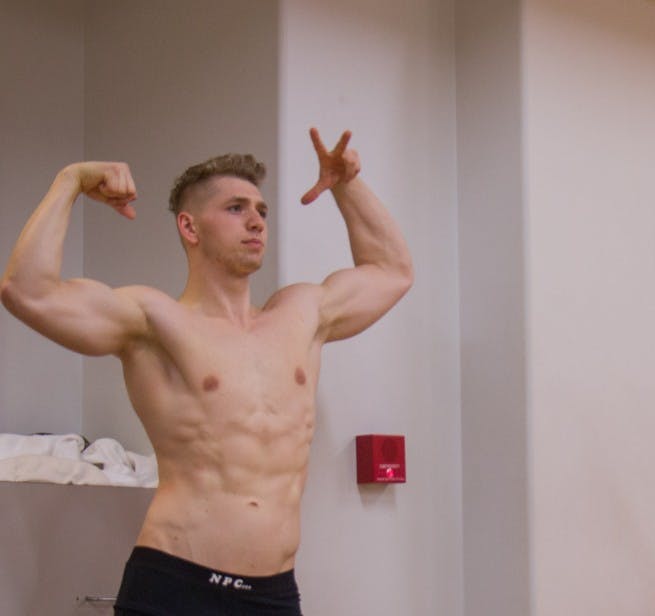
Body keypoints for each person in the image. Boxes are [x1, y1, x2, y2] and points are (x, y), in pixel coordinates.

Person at [0, 128, 413, 615]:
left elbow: (392, 271)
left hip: (274, 594)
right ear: (190, 228)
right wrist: (69, 181)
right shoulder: (155, 320)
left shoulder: (303, 315)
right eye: (236, 208)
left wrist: (348, 186)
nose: (256, 221)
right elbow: (26, 290)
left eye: (261, 210)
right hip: (176, 585)